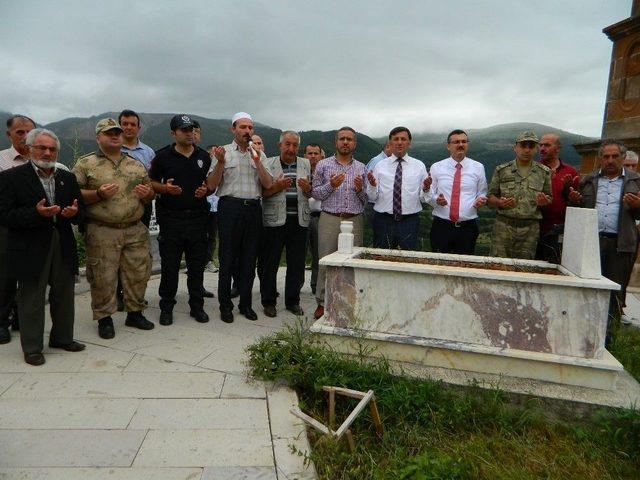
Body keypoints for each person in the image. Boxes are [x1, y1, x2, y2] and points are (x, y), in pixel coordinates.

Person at [0, 128, 86, 365]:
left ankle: (62, 338)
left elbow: (81, 212)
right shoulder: (11, 177)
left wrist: (73, 213)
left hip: (62, 242)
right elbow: (5, 215)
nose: (47, 153)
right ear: (29, 149)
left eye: (52, 149)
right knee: (31, 298)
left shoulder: (66, 177)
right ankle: (32, 348)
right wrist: (36, 214)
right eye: (42, 148)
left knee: (64, 294)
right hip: (30, 246)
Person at [73, 118, 155, 339]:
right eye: (109, 132)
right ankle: (104, 318)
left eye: (117, 132)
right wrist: (97, 194)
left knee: (138, 273)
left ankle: (135, 313)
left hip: (134, 229)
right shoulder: (85, 164)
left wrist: (148, 195)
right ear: (98, 137)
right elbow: (72, 194)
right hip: (102, 229)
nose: (115, 135)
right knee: (103, 276)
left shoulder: (135, 164)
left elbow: (149, 193)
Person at [206, 112, 273, 323]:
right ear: (233, 129)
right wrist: (219, 163)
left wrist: (258, 162)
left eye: (250, 128)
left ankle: (245, 305)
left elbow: (269, 184)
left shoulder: (259, 154)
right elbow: (210, 185)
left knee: (249, 259)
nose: (247, 131)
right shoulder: (222, 153)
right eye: (242, 127)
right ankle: (225, 305)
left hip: (253, 209)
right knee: (227, 258)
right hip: (230, 208)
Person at [149, 115, 212, 325]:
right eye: (184, 130)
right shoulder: (163, 156)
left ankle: (197, 306)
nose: (189, 133)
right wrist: (165, 189)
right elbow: (150, 182)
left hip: (197, 218)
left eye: (191, 129)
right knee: (170, 267)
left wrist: (206, 189)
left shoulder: (204, 156)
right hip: (171, 219)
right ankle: (166, 307)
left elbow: (209, 184)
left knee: (196, 267)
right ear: (173, 133)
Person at [311, 126, 367, 319]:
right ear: (336, 142)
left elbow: (366, 198)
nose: (345, 142)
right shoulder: (323, 165)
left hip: (354, 219)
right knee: (325, 260)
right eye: (342, 139)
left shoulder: (361, 167)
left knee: (352, 263)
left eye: (349, 139)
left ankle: (348, 301)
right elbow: (315, 192)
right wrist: (331, 186)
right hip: (330, 218)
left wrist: (360, 190)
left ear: (354, 144)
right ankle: (322, 302)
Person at [260, 131, 312, 317]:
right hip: (275, 220)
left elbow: (311, 193)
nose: (291, 148)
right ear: (279, 145)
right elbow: (263, 193)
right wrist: (277, 187)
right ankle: (268, 301)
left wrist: (308, 189)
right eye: (287, 144)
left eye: (295, 145)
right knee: (270, 263)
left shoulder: (305, 163)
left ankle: (292, 301)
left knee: (296, 264)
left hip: (299, 220)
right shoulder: (269, 163)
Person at [487, 131, 552, 260]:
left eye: (531, 146)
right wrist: (499, 202)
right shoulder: (502, 170)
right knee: (498, 265)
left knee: (525, 267)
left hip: (530, 229)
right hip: (503, 227)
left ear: (536, 149)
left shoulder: (544, 172)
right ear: (515, 147)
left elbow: (549, 197)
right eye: (523, 145)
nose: (527, 150)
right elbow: (490, 197)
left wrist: (545, 202)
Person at [0, 115, 37, 343]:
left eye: (29, 133)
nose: (25, 137)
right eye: (19, 132)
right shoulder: (1, 161)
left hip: (34, 225)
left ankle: (22, 318)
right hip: (6, 226)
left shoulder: (42, 157)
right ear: (9, 135)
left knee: (29, 275)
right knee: (4, 276)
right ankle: (1, 321)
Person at [366, 127, 429, 250]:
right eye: (396, 139)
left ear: (409, 143)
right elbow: (372, 197)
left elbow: (423, 198)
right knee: (381, 257)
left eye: (403, 139)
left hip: (409, 221)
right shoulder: (380, 165)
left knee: (408, 259)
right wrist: (373, 187)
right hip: (383, 220)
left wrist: (426, 189)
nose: (399, 142)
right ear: (390, 143)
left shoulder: (419, 166)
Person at [426, 129, 488, 254]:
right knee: (439, 264)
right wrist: (436, 200)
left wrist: (480, 200)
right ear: (448, 146)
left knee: (465, 266)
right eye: (456, 142)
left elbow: (482, 192)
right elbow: (428, 194)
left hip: (468, 227)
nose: (460, 144)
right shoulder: (437, 167)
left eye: (464, 141)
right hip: (442, 226)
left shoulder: (478, 167)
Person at [535, 133, 579, 263]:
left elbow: (576, 202)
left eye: (547, 145)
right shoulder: (534, 169)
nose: (542, 148)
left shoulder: (570, 172)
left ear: (558, 148)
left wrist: (568, 192)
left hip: (559, 231)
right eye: (540, 145)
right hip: (535, 229)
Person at [304, 143, 323, 294]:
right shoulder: (300, 172)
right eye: (310, 153)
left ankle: (315, 286)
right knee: (298, 253)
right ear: (305, 156)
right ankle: (296, 286)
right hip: (302, 215)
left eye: (316, 153)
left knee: (318, 253)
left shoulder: (326, 172)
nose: (313, 156)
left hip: (319, 216)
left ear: (321, 156)